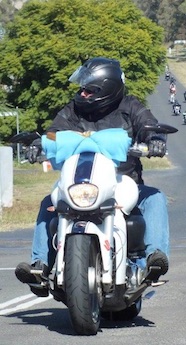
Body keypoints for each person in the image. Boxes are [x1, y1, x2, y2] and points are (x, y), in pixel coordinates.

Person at [15, 57, 171, 296]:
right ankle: (41, 266)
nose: (83, 93)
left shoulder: (130, 107)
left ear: (106, 88)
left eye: (89, 89)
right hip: (81, 183)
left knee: (155, 198)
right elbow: (54, 133)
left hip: (123, 184)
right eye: (83, 88)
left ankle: (153, 261)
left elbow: (147, 124)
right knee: (49, 202)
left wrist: (155, 140)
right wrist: (40, 143)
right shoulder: (73, 110)